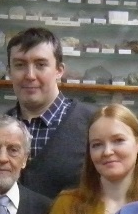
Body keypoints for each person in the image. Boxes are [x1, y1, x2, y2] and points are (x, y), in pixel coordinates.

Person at [6, 27, 97, 199]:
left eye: (40, 65)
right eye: (19, 65)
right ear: (9, 71)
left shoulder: (94, 124)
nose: (30, 75)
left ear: (59, 70)